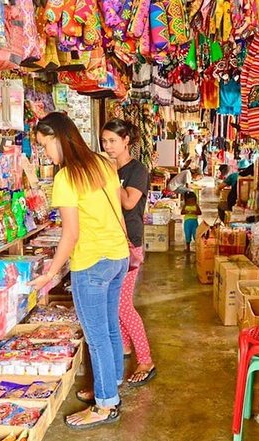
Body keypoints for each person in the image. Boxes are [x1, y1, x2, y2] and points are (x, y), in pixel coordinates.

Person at [29, 112, 129, 429]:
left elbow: (70, 234)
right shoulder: (103, 163)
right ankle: (111, 385)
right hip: (118, 255)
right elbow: (119, 214)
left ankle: (104, 405)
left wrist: (49, 274)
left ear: (59, 138)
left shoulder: (65, 177)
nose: (46, 153)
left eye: (46, 145)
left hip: (92, 263)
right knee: (110, 327)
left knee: (96, 337)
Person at [100, 118, 157, 387]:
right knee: (114, 303)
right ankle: (124, 350)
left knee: (122, 304)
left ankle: (146, 359)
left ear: (126, 141)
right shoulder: (106, 169)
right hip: (108, 241)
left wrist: (110, 174)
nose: (107, 146)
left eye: (112, 141)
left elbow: (129, 202)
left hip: (129, 242)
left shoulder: (137, 171)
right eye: (104, 141)